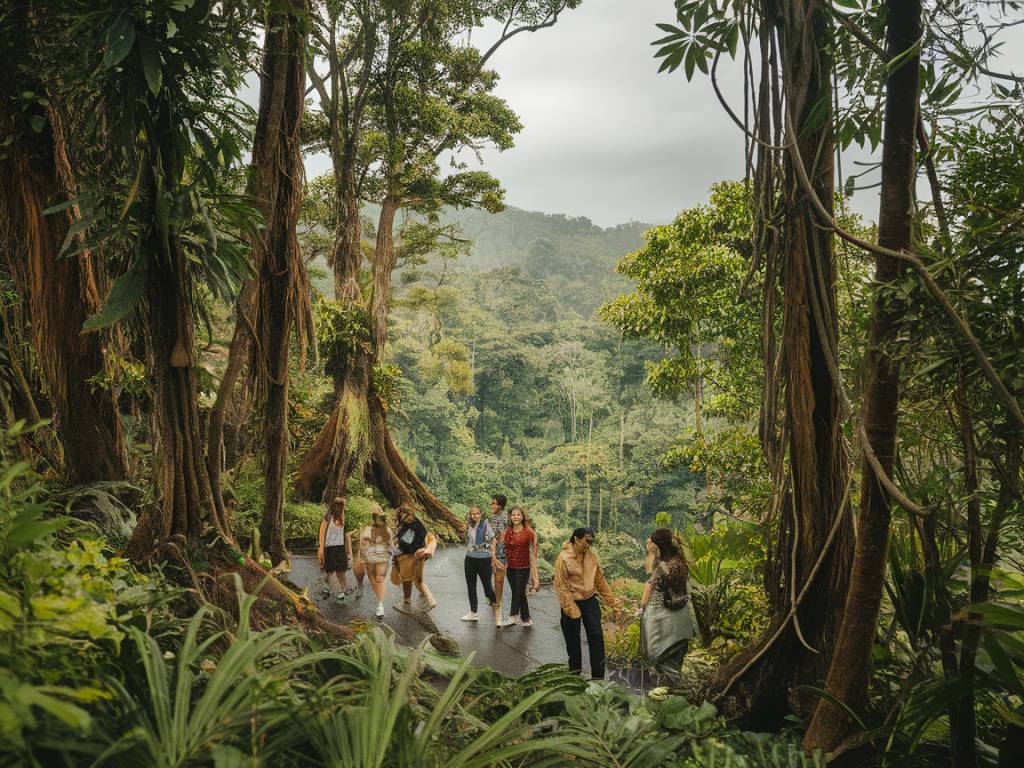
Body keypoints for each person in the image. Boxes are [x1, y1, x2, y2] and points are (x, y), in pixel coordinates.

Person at [554, 526, 620, 679]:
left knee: (597, 638)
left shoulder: (591, 557)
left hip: (589, 600)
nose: (589, 545)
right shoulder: (563, 558)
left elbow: (600, 581)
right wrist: (571, 609)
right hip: (571, 602)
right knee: (573, 643)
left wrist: (612, 602)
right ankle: (574, 677)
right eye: (587, 541)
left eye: (591, 542)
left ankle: (598, 679)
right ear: (576, 539)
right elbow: (560, 585)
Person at [640, 528, 698, 680]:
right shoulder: (679, 560)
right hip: (681, 621)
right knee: (673, 667)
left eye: (652, 543)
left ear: (658, 546)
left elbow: (652, 582)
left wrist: (643, 607)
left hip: (667, 622)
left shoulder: (666, 567)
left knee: (660, 660)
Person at [391, 504, 437, 611]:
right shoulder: (417, 523)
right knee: (418, 580)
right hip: (420, 554)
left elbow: (404, 544)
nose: (408, 519)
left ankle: (407, 601)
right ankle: (430, 599)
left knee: (408, 579)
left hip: (411, 556)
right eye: (406, 517)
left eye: (408, 516)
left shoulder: (409, 526)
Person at [500, 506, 539, 627]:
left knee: (519, 591)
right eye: (513, 515)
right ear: (510, 517)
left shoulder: (529, 532)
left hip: (524, 567)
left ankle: (514, 616)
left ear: (522, 516)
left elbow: (533, 550)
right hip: (511, 567)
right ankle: (526, 618)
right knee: (518, 592)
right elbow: (502, 547)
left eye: (518, 515)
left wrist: (534, 573)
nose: (515, 517)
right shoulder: (507, 532)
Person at [357, 505, 393, 620]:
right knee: (373, 580)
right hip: (370, 559)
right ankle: (379, 603)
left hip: (382, 558)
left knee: (379, 580)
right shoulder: (367, 529)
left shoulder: (387, 530)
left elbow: (391, 545)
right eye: (376, 515)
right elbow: (362, 545)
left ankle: (380, 605)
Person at [462, 505, 497, 621]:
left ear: (481, 514)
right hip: (470, 558)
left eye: (477, 513)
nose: (475, 515)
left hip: (484, 559)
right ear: (470, 515)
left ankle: (494, 601)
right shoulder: (468, 525)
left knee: (487, 586)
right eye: (473, 513)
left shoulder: (486, 524)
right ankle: (473, 611)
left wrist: (493, 557)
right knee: (471, 585)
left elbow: (493, 540)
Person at [317, 497, 353, 602]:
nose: (344, 509)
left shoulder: (342, 518)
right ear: (338, 507)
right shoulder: (327, 519)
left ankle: (343, 590)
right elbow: (322, 534)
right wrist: (321, 549)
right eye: (343, 507)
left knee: (341, 571)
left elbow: (345, 536)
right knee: (330, 571)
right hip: (329, 549)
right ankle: (326, 585)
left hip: (340, 548)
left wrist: (349, 552)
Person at [488, 494, 509, 626]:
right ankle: (496, 600)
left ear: (500, 505)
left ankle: (498, 603)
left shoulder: (506, 516)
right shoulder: (492, 517)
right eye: (492, 503)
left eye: (495, 504)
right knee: (495, 575)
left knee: (499, 578)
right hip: (493, 548)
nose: (493, 506)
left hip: (504, 549)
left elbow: (504, 534)